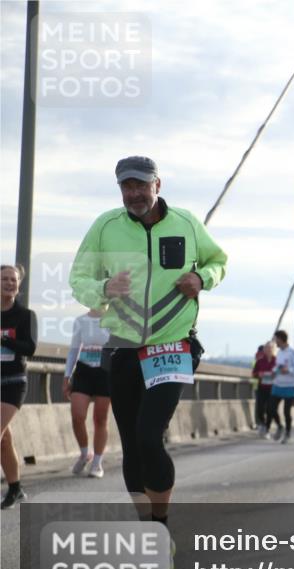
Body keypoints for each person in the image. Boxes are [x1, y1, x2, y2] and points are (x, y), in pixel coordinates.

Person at [69, 156, 227, 533]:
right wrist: (103, 288)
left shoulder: (186, 223)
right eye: (126, 186)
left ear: (158, 184)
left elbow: (219, 261)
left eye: (141, 184)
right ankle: (148, 528)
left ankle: (161, 524)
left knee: (148, 437)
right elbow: (78, 278)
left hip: (171, 347)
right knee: (132, 446)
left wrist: (202, 278)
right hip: (122, 349)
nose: (134, 193)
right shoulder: (105, 227)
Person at [1, 265, 37, 509]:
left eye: (13, 280)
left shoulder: (25, 315)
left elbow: (30, 348)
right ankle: (16, 488)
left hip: (13, 382)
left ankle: (15, 488)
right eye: (4, 279)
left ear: (19, 285)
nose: (9, 283)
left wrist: (4, 339)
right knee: (4, 440)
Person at [63, 307, 112, 478]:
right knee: (77, 415)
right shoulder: (81, 321)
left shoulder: (116, 319)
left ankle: (97, 463)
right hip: (84, 371)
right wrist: (67, 376)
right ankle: (85, 454)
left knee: (100, 418)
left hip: (105, 372)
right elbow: (73, 349)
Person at [270, 330, 294, 444]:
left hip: (290, 386)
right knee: (271, 408)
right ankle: (280, 426)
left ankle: (287, 433)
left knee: (286, 412)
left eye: (276, 339)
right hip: (278, 384)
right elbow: (278, 366)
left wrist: (288, 370)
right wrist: (274, 371)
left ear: (281, 339)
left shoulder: (293, 352)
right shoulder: (279, 352)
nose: (275, 342)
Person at [252, 342, 277, 436]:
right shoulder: (260, 361)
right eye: (266, 348)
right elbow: (253, 374)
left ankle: (267, 429)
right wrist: (259, 374)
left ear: (273, 349)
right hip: (261, 387)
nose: (268, 350)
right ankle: (262, 423)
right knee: (260, 409)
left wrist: (274, 375)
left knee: (270, 409)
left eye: (270, 348)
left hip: (273, 388)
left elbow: (281, 374)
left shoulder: (277, 361)